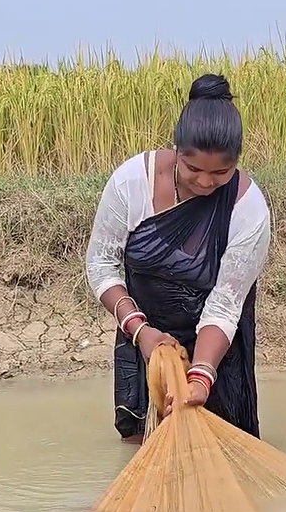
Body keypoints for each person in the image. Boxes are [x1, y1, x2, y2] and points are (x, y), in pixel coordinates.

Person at [84, 72, 272, 443]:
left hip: (218, 346)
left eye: (221, 173)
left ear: (237, 161)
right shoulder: (132, 182)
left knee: (218, 446)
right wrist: (141, 332)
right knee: (144, 445)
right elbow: (101, 264)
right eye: (193, 170)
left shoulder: (248, 209)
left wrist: (201, 375)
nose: (205, 183)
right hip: (145, 334)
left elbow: (225, 305)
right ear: (176, 152)